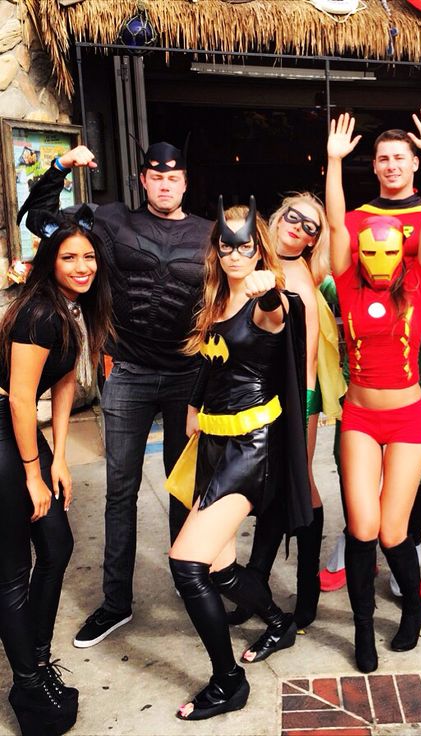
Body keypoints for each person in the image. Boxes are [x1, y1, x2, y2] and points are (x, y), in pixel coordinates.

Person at [16, 142, 214, 648]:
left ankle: (191, 584)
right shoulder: (110, 222)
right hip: (128, 371)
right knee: (119, 492)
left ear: (186, 183)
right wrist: (61, 166)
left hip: (188, 378)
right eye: (155, 176)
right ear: (142, 181)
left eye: (174, 177)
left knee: (185, 487)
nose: (165, 184)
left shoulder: (210, 235)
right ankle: (115, 603)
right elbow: (39, 219)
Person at [169, 197, 310, 720]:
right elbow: (211, 363)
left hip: (251, 450)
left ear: (258, 250)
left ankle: (229, 682)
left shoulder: (268, 301)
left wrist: (269, 284)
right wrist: (192, 409)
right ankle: (278, 622)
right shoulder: (212, 301)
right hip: (212, 444)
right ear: (216, 250)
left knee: (187, 564)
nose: (234, 254)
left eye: (245, 246)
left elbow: (276, 312)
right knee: (223, 568)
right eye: (226, 245)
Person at [325, 109, 421, 673]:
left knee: (395, 530)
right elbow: (334, 228)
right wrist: (332, 163)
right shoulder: (346, 281)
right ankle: (364, 632)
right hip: (359, 418)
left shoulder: (417, 280)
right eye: (383, 157)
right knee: (361, 528)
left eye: (387, 247)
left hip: (409, 419)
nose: (378, 254)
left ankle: (414, 613)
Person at [0, 206, 113, 733]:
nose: (82, 266)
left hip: (19, 435)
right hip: (4, 432)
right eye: (70, 257)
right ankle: (27, 685)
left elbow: (64, 383)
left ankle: (37, 660)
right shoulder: (39, 312)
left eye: (88, 256)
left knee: (58, 545)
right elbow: (23, 400)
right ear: (51, 261)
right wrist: (32, 473)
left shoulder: (73, 309)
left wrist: (60, 456)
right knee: (12, 570)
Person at [228, 193, 344, 631]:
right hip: (250, 397)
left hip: (298, 398)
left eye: (310, 226)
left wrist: (303, 408)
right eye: (294, 217)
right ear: (277, 218)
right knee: (268, 489)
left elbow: (310, 357)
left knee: (300, 483)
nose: (299, 227)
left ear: (316, 240)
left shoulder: (307, 273)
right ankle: (255, 583)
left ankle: (307, 590)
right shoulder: (250, 260)